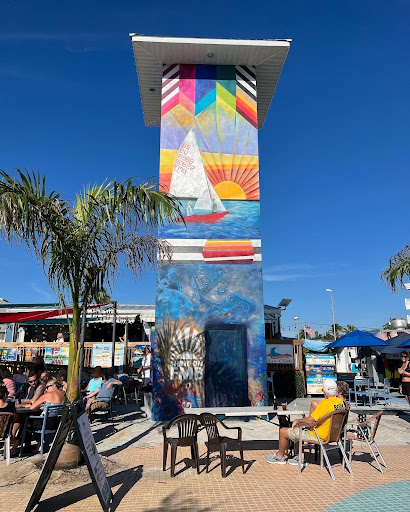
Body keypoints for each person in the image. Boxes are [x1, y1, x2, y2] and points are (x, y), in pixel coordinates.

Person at [266, 379, 346, 465]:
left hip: (318, 436)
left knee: (283, 431)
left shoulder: (325, 403)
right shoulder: (341, 403)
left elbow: (310, 420)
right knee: (299, 429)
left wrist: (298, 421)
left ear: (325, 391)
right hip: (332, 435)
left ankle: (279, 457)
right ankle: (299, 456)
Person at [28, 378, 65, 453]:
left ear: (54, 386)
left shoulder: (47, 395)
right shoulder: (63, 395)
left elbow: (32, 407)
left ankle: (28, 446)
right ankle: (39, 445)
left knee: (26, 422)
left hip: (46, 423)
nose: (47, 389)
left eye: (48, 387)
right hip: (57, 422)